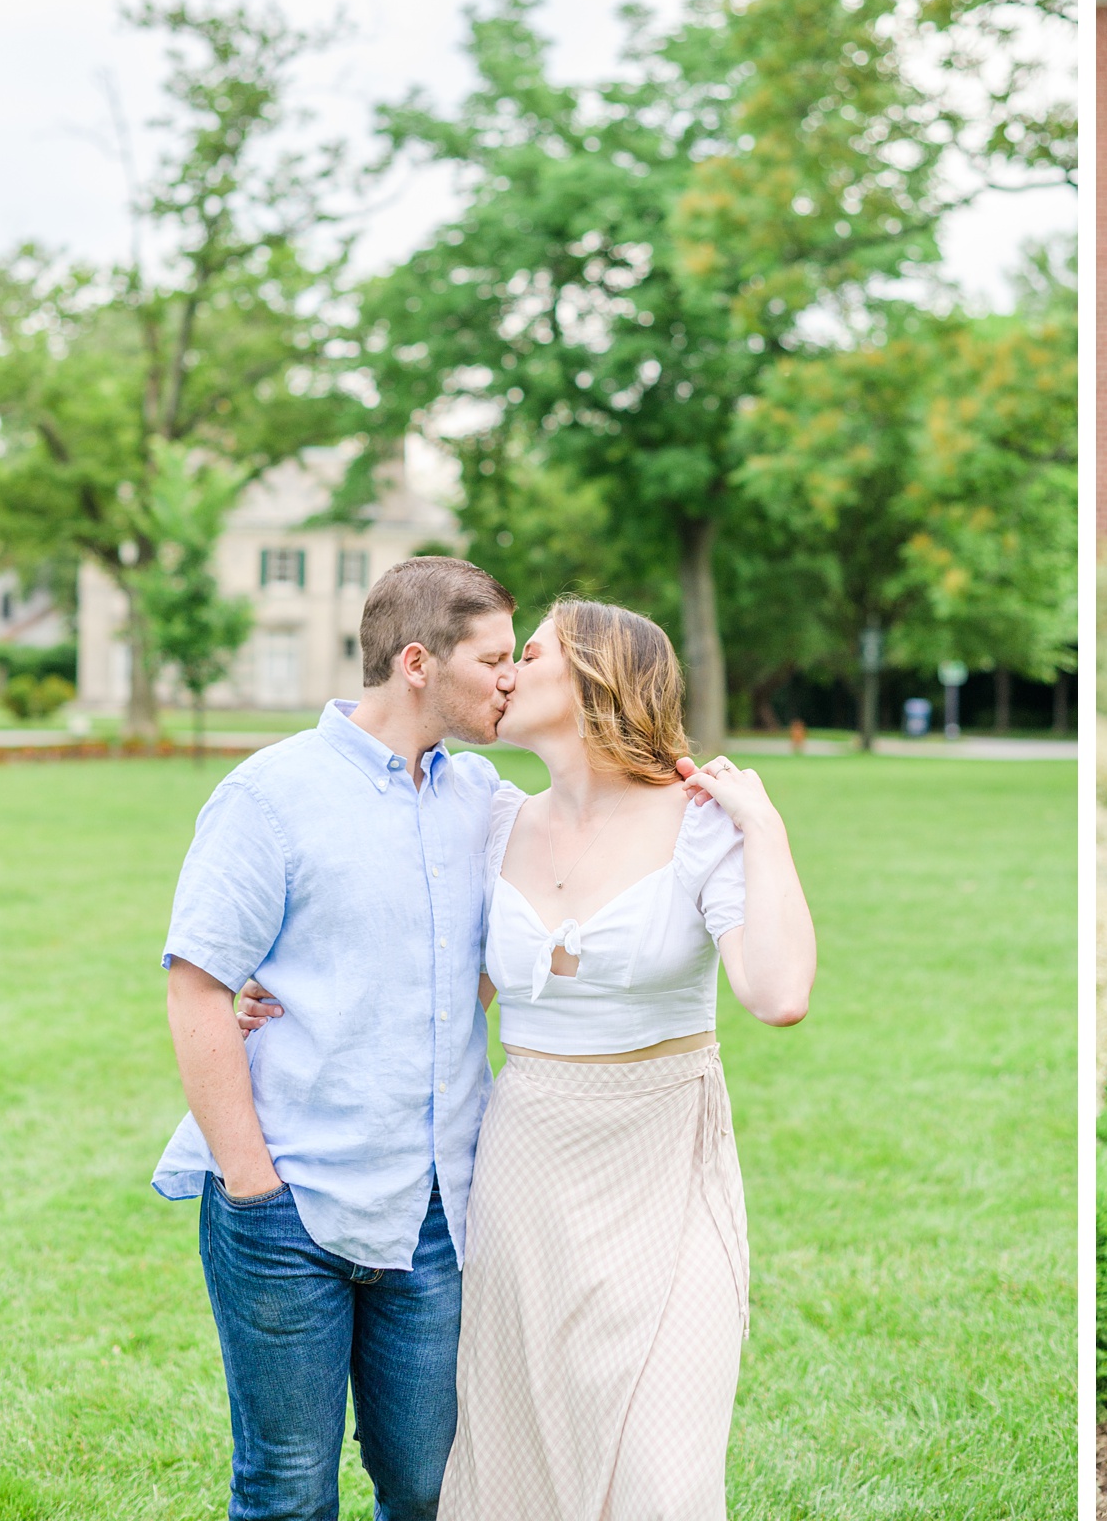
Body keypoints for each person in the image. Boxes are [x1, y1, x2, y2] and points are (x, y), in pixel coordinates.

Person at [153, 556, 525, 1521]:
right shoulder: (269, 796)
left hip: (434, 1212)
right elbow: (196, 987)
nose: (512, 678)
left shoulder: (480, 796)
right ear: (417, 661)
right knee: (286, 1490)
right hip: (288, 1209)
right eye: (494, 659)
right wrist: (251, 1183)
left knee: (433, 1488)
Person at [434, 598, 816, 1521]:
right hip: (524, 1178)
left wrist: (764, 827)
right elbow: (439, 1001)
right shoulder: (493, 825)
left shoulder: (701, 825)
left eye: (529, 653)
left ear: (596, 675)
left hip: (664, 1171)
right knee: (522, 1467)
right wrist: (269, 1003)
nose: (506, 671)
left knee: (659, 1479)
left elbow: (777, 994)